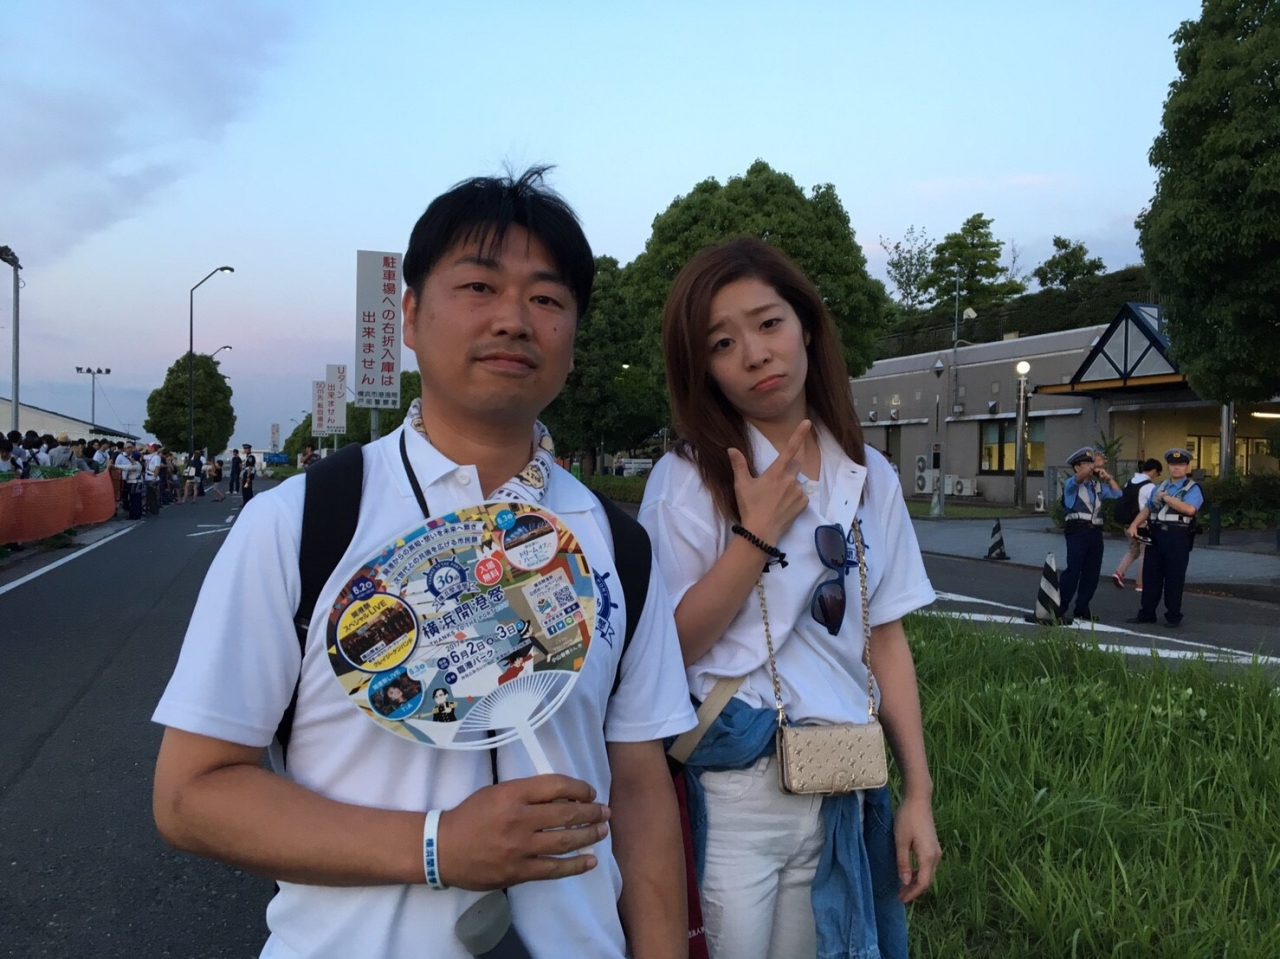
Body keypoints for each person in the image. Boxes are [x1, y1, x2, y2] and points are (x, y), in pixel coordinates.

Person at [151, 168, 696, 958]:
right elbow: (190, 793)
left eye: (547, 299)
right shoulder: (301, 523)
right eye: (479, 286)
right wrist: (436, 845)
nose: (513, 318)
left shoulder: (616, 545)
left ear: (573, 338)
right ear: (409, 316)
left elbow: (641, 793)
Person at [638, 237, 941, 959]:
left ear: (806, 325)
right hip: (737, 787)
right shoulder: (687, 478)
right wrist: (755, 536)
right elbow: (664, 649)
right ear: (703, 368)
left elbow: (885, 638)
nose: (755, 354)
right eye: (722, 343)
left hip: (841, 779)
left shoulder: (868, 475)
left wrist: (919, 793)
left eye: (769, 323)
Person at [1125, 448, 1203, 628]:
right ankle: (1147, 613)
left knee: (1174, 577)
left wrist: (1166, 498)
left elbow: (1189, 509)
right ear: (1168, 467)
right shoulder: (1160, 486)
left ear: (1187, 467)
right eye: (1173, 465)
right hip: (1156, 534)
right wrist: (1134, 524)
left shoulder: (1192, 488)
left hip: (1178, 536)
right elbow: (1147, 508)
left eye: (1181, 465)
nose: (1177, 468)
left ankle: (1173, 616)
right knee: (1151, 575)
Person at [1057, 447, 1122, 624]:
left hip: (1095, 533)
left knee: (1092, 573)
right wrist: (1094, 465)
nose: (1091, 467)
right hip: (1078, 532)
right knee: (1073, 571)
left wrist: (1108, 477)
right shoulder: (1072, 484)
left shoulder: (1096, 486)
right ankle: (1059, 608)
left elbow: (1118, 494)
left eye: (1091, 463)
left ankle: (1082, 608)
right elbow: (1081, 477)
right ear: (1077, 467)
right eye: (1086, 464)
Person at [1112, 458, 1162, 590]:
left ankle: (1119, 572)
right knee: (1145, 553)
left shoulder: (1129, 482)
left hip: (1128, 524)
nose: (1157, 476)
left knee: (1133, 550)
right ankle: (1141, 583)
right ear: (1154, 470)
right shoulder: (1150, 487)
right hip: (1141, 524)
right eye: (1158, 473)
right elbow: (1153, 506)